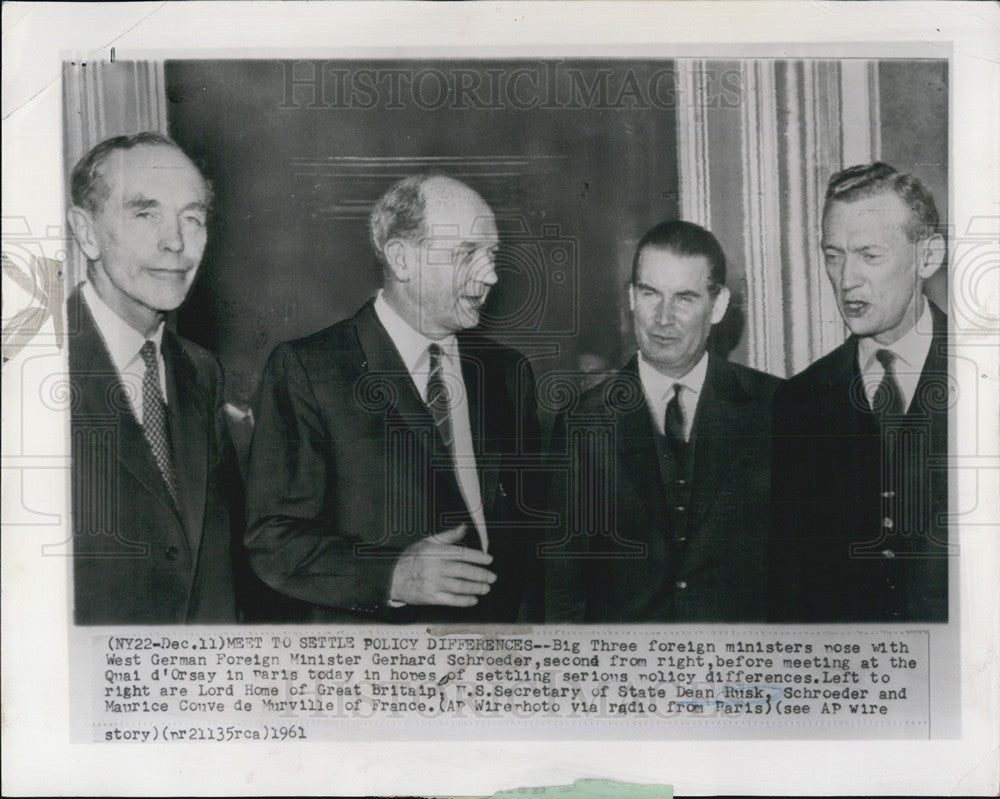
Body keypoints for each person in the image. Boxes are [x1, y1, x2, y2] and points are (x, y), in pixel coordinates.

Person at [245, 174, 542, 622]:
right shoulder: (309, 370)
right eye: (466, 254)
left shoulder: (509, 373)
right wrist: (393, 576)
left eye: (492, 254)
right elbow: (274, 540)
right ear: (402, 258)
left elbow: (531, 535)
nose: (492, 275)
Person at [545, 220, 781, 622]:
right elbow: (561, 586)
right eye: (650, 293)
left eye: (684, 298)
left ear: (718, 305)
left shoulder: (776, 407)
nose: (663, 318)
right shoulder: (582, 421)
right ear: (632, 297)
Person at [66, 132, 240, 624]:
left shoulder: (202, 372)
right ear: (87, 232)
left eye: (193, 218)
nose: (177, 242)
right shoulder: (33, 365)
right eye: (145, 214)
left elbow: (213, 571)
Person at [769, 162, 949, 623]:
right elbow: (790, 588)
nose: (847, 279)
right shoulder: (800, 401)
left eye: (870, 255)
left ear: (927, 257)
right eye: (833, 255)